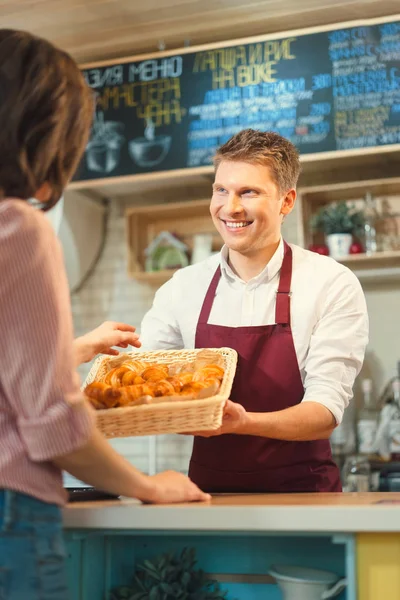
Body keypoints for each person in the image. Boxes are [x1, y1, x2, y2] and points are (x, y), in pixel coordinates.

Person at [0, 29, 209, 600]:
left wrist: (72, 349)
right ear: (44, 131)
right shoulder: (17, 226)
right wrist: (147, 486)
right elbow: (51, 425)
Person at [141, 128, 369, 494]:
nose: (230, 207)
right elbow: (147, 379)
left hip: (305, 501)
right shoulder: (183, 287)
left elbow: (325, 412)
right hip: (209, 499)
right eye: (221, 190)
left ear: (286, 201)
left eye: (249, 192)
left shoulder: (331, 283)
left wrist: (242, 422)